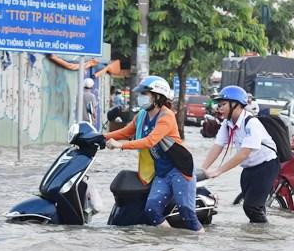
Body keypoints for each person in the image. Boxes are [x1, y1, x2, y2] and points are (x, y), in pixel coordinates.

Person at [103, 75, 203, 233]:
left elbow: (150, 141)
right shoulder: (142, 116)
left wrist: (120, 146)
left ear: (157, 96)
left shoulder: (166, 116)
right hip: (161, 173)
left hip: (179, 170)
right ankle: (169, 238)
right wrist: (101, 137)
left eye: (144, 94)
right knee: (151, 210)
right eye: (140, 94)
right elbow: (125, 132)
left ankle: (199, 240)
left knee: (187, 213)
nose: (140, 97)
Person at [201, 85, 279, 223]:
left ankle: (264, 234)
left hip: (266, 166)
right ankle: (259, 232)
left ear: (236, 105)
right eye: (219, 105)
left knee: (252, 207)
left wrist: (218, 171)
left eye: (223, 104)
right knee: (254, 207)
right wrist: (202, 169)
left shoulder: (251, 123)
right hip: (248, 168)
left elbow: (244, 153)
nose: (219, 108)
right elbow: (218, 146)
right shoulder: (227, 123)